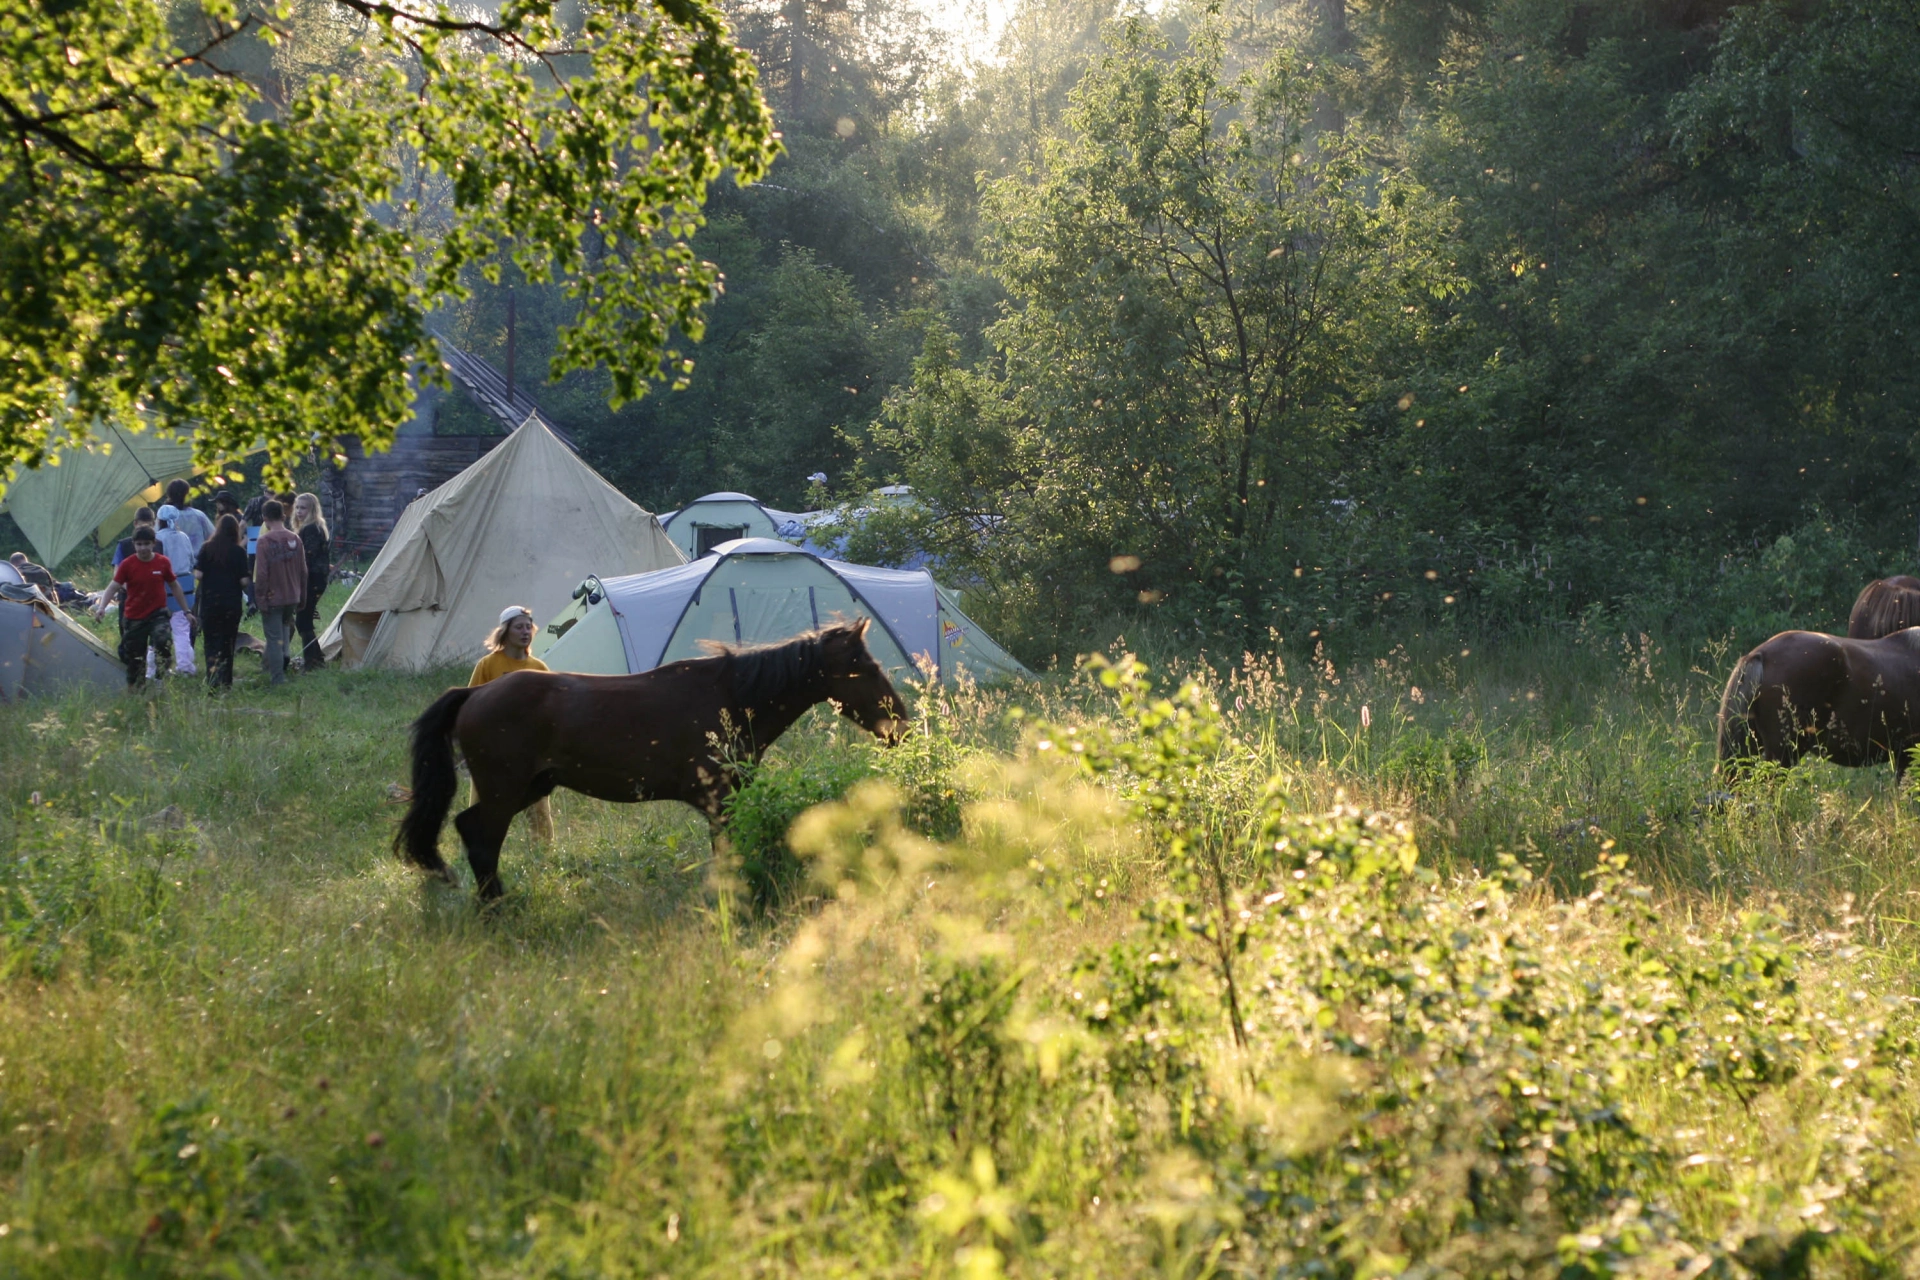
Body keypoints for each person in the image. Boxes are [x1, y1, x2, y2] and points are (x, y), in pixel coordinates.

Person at [468, 605, 555, 841]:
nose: (525, 631)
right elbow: (472, 702)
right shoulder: (487, 665)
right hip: (493, 746)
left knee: (537, 805)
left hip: (529, 749)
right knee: (483, 801)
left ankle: (544, 851)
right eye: (519, 627)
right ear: (505, 632)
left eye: (529, 627)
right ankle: (476, 847)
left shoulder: (539, 668)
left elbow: (551, 709)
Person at [93, 528, 193, 689]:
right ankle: (137, 690)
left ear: (153, 543)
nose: (143, 548)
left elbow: (175, 586)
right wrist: (101, 607)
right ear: (134, 545)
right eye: (139, 544)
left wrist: (186, 611)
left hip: (158, 614)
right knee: (135, 658)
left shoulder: (162, 562)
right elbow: (113, 587)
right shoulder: (128, 564)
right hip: (134, 617)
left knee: (163, 642)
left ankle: (161, 679)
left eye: (146, 544)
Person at [253, 499, 305, 685]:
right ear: (284, 516)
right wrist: (302, 596)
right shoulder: (295, 539)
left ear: (264, 518)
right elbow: (303, 571)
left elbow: (262, 573)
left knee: (274, 639)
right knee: (284, 632)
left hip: (273, 598)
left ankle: (278, 678)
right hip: (292, 596)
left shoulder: (264, 541)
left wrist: (260, 598)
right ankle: (285, 659)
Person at [195, 515, 251, 690]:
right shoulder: (239, 552)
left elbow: (198, 575)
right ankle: (226, 682)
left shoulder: (206, 548)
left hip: (210, 603)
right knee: (228, 642)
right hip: (231, 604)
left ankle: (211, 681)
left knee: (211, 642)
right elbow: (243, 582)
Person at [154, 505, 198, 675]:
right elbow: (191, 560)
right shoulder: (184, 537)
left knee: (158, 630)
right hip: (186, 586)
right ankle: (185, 666)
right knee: (182, 630)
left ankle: (154, 668)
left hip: (165, 586)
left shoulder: (157, 539)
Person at [290, 492, 332, 671]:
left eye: (303, 508)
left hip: (312, 579)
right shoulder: (313, 527)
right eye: (297, 507)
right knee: (304, 620)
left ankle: (312, 662)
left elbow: (307, 556)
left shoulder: (311, 528)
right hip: (314, 578)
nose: (299, 511)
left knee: (303, 621)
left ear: (312, 509)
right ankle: (316, 659)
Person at [163, 479, 215, 557]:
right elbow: (214, 536)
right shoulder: (199, 516)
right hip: (198, 563)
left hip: (175, 564)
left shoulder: (165, 517)